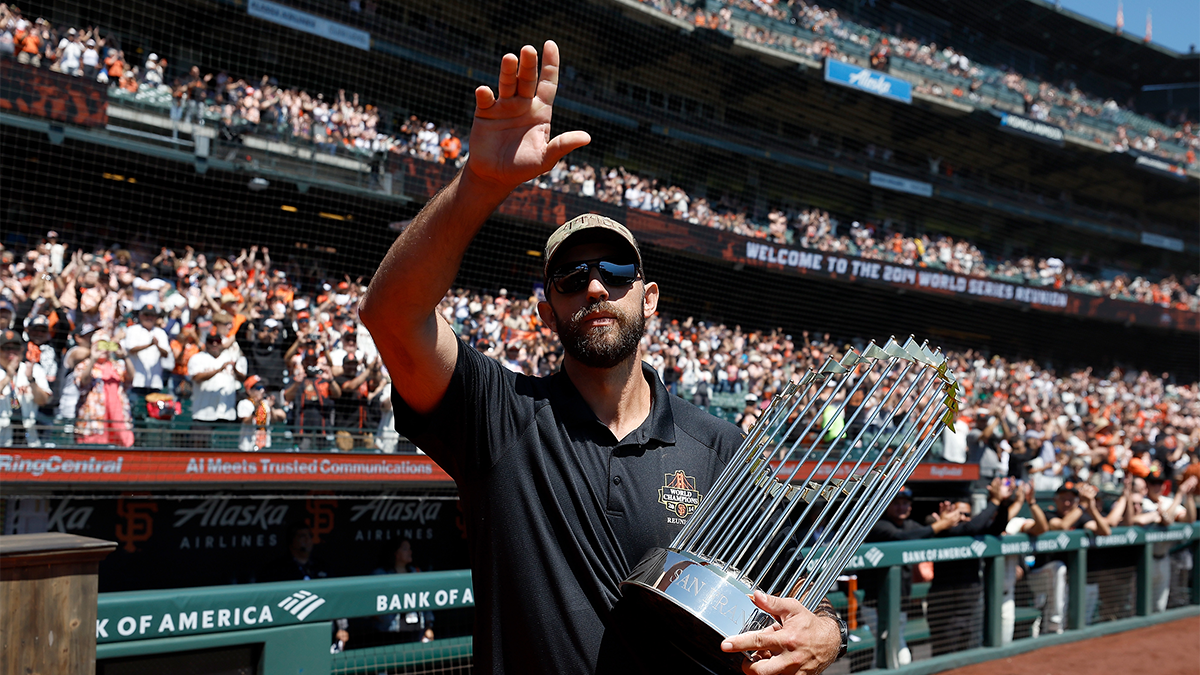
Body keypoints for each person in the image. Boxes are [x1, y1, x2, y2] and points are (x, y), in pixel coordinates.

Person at [360, 41, 844, 675]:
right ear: (546, 311)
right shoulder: (499, 417)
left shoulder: (720, 445)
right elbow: (391, 314)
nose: (594, 286)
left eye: (615, 271)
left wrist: (828, 634)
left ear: (649, 298)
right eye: (570, 276)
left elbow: (797, 592)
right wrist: (480, 184)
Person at [187, 331, 247, 446]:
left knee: (226, 452)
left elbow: (243, 379)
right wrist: (219, 369)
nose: (214, 344)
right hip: (203, 413)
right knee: (200, 450)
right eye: (211, 342)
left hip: (226, 412)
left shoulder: (230, 358)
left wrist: (235, 369)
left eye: (217, 342)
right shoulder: (198, 358)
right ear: (206, 344)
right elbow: (196, 377)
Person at [371, 539, 435, 644]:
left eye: (410, 549)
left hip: (416, 632)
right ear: (395, 553)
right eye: (405, 549)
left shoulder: (416, 572)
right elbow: (372, 605)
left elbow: (426, 601)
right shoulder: (381, 574)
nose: (410, 552)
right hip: (390, 634)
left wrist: (429, 626)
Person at [0, 329, 51, 446]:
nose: (11, 353)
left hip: (29, 438)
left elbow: (43, 401)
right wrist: (8, 376)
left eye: (16, 348)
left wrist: (31, 381)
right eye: (6, 348)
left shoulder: (34, 370)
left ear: (22, 350)